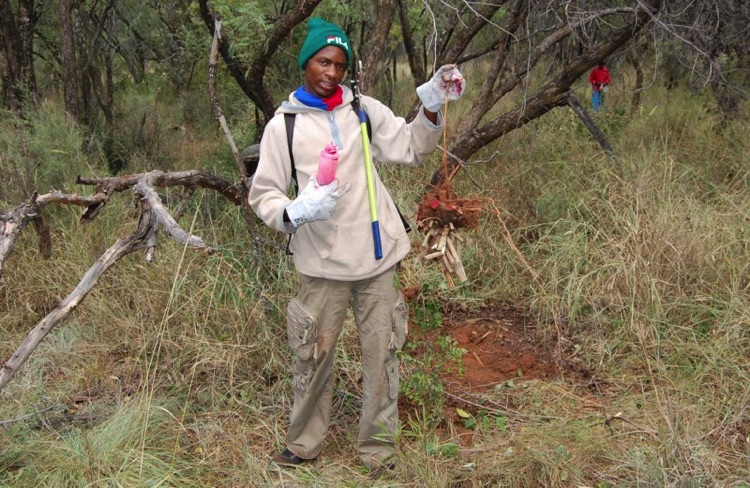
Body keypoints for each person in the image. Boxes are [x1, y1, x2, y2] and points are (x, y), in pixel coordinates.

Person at [248, 17, 465, 475]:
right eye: (322, 62)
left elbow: (410, 147)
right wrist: (296, 211)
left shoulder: (362, 110)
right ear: (306, 62)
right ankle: (304, 444)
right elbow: (264, 194)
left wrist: (431, 105)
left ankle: (378, 451)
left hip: (377, 260)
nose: (331, 73)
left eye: (339, 65)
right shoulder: (284, 126)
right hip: (321, 265)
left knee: (382, 357)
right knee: (312, 357)